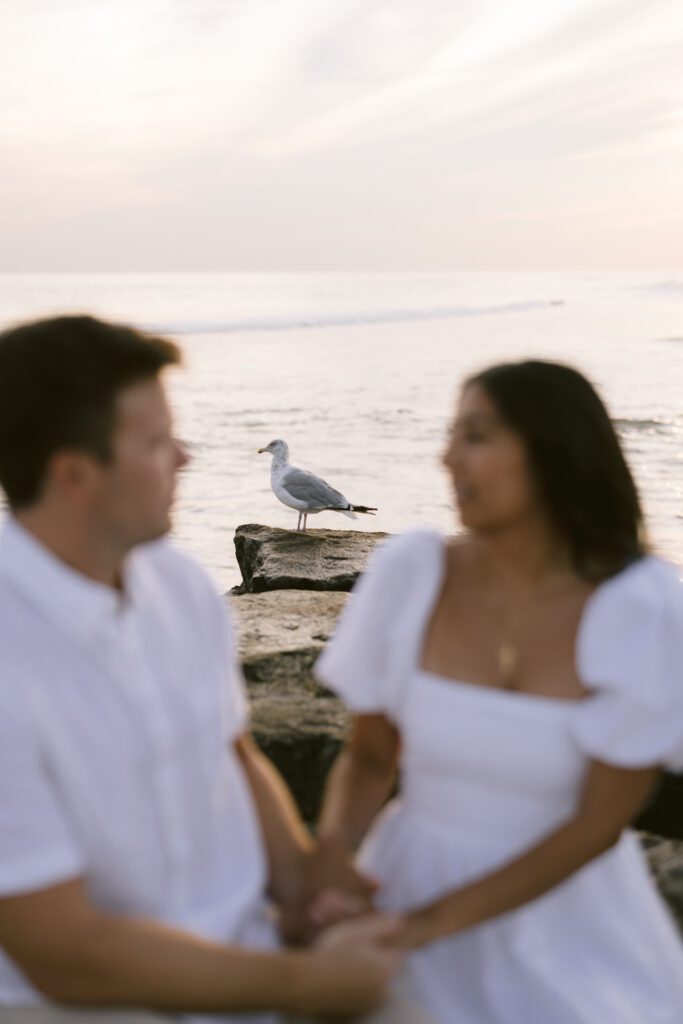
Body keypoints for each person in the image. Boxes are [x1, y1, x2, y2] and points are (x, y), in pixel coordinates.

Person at [0, 315, 402, 1024]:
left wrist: (307, 889)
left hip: (250, 951)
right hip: (87, 1003)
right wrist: (309, 986)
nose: (184, 458)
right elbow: (61, 950)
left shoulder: (180, 589)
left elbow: (235, 758)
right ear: (74, 476)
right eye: (157, 443)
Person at [313, 360, 683, 1023]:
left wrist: (425, 926)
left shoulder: (642, 606)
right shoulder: (410, 572)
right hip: (404, 873)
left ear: (551, 452)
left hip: (565, 910)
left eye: (475, 436)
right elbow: (369, 757)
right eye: (451, 434)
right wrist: (330, 862)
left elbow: (596, 825)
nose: (446, 457)